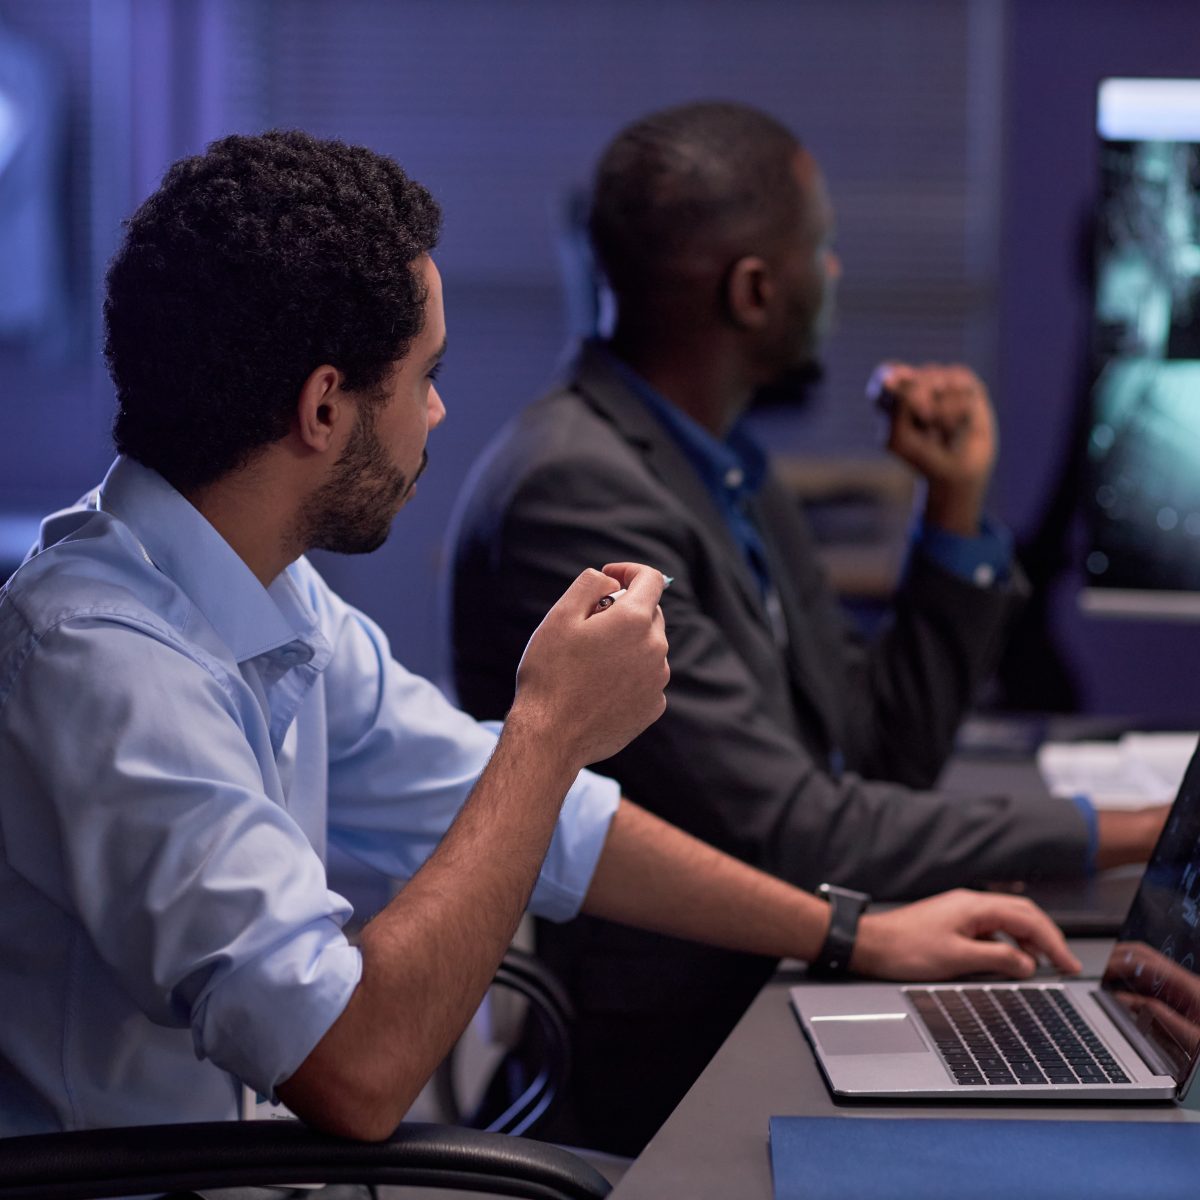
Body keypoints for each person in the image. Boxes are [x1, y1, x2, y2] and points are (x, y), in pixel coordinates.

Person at [0, 130, 1080, 1156]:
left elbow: (550, 825)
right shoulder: (100, 663)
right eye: (423, 376)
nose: (437, 414)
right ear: (324, 408)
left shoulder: (266, 592)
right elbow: (355, 1066)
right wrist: (552, 724)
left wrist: (851, 935)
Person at [445, 101, 1168, 1153]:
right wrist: (1133, 828)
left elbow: (884, 755)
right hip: (669, 1063)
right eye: (820, 249)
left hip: (771, 986)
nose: (833, 273)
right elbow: (802, 832)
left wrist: (954, 513)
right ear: (754, 290)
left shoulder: (722, 468)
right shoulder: (580, 491)